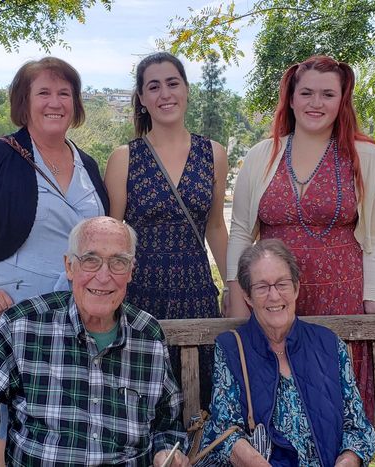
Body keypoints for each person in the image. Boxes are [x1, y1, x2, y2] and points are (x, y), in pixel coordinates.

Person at [0, 56, 110, 464]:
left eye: (64, 93)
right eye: (43, 92)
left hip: (73, 310)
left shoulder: (88, 164)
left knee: (60, 410)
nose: (55, 102)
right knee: (10, 409)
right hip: (14, 308)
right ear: (24, 103)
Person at [225, 55, 375, 422]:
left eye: (328, 94)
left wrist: (373, 298)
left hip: (339, 299)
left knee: (336, 405)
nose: (316, 103)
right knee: (274, 404)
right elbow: (241, 229)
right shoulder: (262, 155)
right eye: (306, 93)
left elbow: (374, 236)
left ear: (342, 100)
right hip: (273, 298)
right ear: (291, 98)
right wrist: (235, 294)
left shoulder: (366, 157)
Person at [0, 216, 190, 467]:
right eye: (91, 260)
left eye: (118, 262)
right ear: (69, 266)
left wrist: (166, 451)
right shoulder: (23, 326)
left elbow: (167, 424)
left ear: (130, 271)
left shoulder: (148, 336)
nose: (103, 276)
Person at [104, 52, 229, 406]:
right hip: (142, 295)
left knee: (199, 397)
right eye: (154, 87)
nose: (165, 94)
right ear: (142, 99)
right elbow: (112, 236)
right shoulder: (124, 158)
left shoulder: (213, 153)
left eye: (172, 83)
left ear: (186, 90)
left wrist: (233, 286)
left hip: (196, 292)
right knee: (142, 397)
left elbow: (215, 227)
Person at [199, 239, 375, 466]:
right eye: (262, 287)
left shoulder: (329, 344)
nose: (274, 296)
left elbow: (359, 428)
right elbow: (224, 431)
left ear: (296, 288)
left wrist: (347, 460)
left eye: (282, 284)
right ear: (247, 296)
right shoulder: (231, 348)